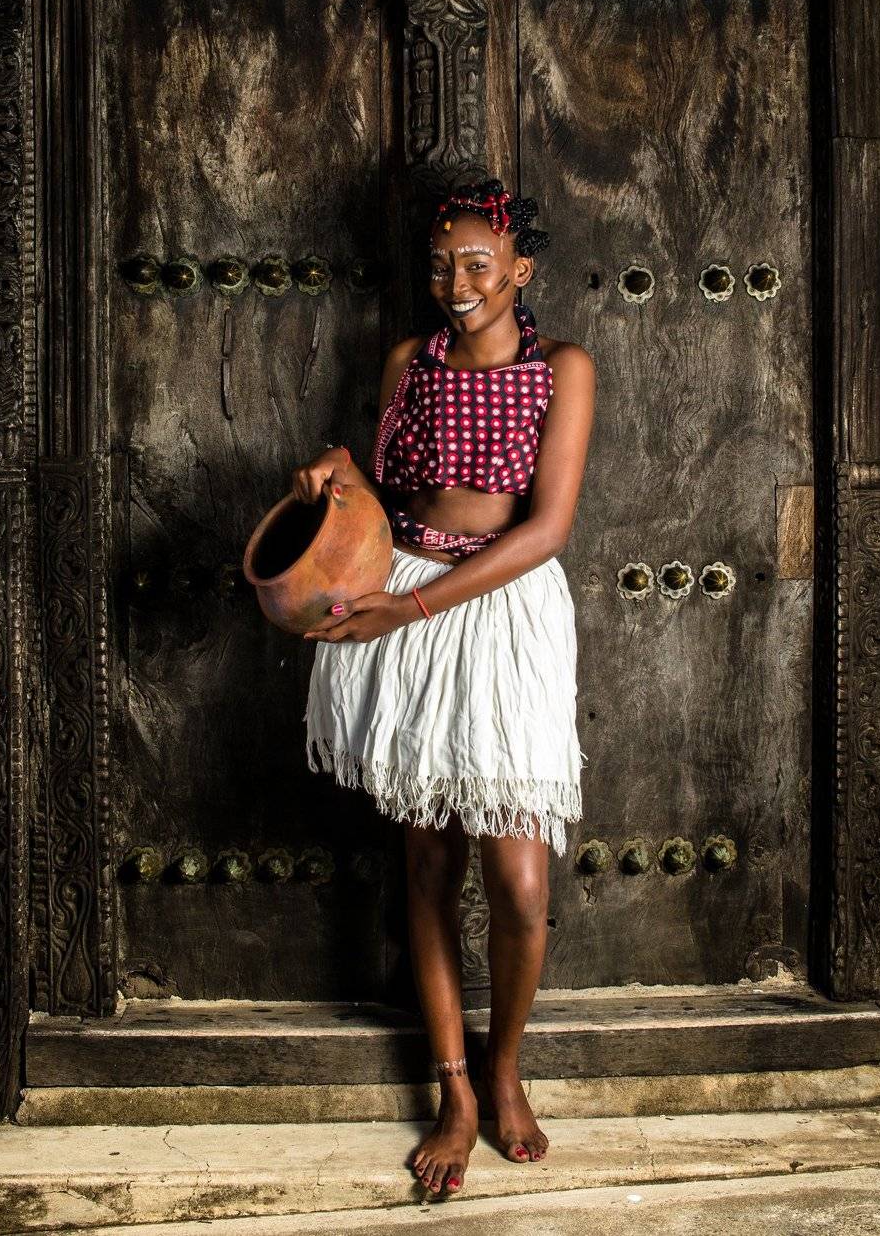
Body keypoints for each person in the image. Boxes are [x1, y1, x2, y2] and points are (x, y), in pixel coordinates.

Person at [290, 178, 596, 1197]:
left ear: (519, 269)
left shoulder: (561, 370)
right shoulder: (406, 365)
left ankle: (506, 1066)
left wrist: (414, 610)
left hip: (498, 610)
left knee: (519, 885)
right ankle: (455, 1090)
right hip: (407, 600)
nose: (454, 282)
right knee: (427, 866)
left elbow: (545, 529)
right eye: (439, 265)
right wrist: (335, 478)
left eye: (476, 263)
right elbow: (389, 499)